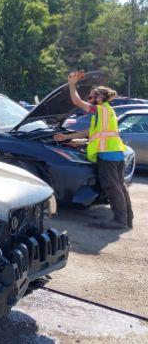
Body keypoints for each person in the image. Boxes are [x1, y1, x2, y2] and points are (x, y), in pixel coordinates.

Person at [54, 71, 133, 229]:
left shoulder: (100, 110)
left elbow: (76, 101)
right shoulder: (107, 111)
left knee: (112, 187)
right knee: (119, 186)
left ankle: (120, 221)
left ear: (100, 98)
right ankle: (127, 218)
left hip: (108, 155)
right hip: (116, 153)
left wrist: (71, 84)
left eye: (91, 97)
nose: (89, 100)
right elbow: (91, 132)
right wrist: (68, 138)